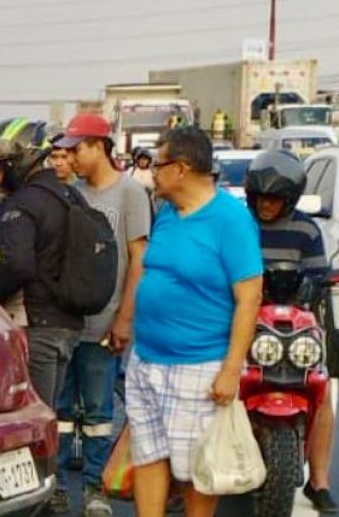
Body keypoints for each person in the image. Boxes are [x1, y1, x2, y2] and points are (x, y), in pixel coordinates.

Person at [129, 127, 262, 517]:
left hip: (198, 364)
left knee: (196, 470)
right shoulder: (167, 214)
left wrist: (231, 370)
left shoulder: (231, 220)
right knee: (148, 455)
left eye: (159, 165)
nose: (153, 172)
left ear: (182, 168)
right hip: (147, 359)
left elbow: (249, 297)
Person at [50, 113, 151, 517]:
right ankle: (57, 486)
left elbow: (139, 258)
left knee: (97, 413)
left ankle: (95, 488)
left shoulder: (130, 193)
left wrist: (124, 318)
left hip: (104, 325)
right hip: (65, 324)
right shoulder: (70, 193)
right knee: (59, 410)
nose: (71, 158)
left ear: (99, 147)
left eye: (76, 150)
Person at [243, 150, 339, 513]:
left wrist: (315, 286)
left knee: (320, 390)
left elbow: (319, 274)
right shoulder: (239, 224)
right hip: (244, 321)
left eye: (275, 199)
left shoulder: (306, 230)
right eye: (261, 197)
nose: (266, 205)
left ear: (291, 199)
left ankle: (319, 481)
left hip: (295, 325)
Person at [0, 117, 83, 409]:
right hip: (67, 326)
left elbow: (16, 264)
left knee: (32, 415)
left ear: (19, 162)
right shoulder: (71, 195)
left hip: (36, 325)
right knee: (50, 411)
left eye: (0, 169)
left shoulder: (24, 202)